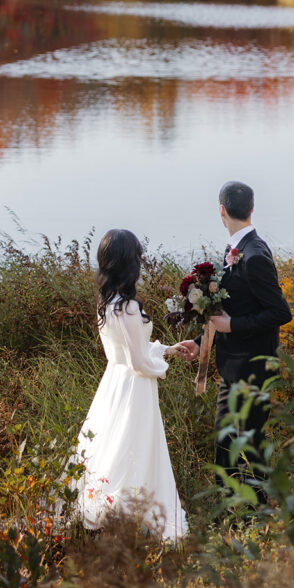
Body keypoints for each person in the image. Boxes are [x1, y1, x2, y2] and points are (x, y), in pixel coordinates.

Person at [73, 228, 188, 542]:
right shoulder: (129, 306)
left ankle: (114, 515)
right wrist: (162, 367)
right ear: (130, 262)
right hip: (135, 386)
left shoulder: (109, 303)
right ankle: (133, 519)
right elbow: (139, 362)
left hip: (114, 382)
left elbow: (128, 353)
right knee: (135, 447)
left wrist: (167, 350)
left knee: (117, 446)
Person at [178, 181, 292, 491]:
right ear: (252, 209)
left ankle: (257, 517)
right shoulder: (235, 250)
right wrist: (200, 344)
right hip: (234, 369)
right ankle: (231, 511)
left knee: (249, 444)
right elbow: (227, 309)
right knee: (225, 442)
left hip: (253, 369)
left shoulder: (254, 255)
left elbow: (281, 313)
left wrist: (234, 326)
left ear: (222, 211)